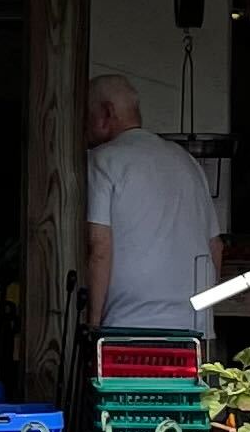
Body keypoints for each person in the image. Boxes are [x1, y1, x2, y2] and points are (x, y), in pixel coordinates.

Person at [82, 74, 227, 339]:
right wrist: (202, 315)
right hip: (193, 328)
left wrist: (93, 324)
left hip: (127, 324)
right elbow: (215, 247)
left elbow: (99, 247)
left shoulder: (102, 160)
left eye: (87, 117)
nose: (84, 128)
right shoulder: (187, 161)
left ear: (106, 113)